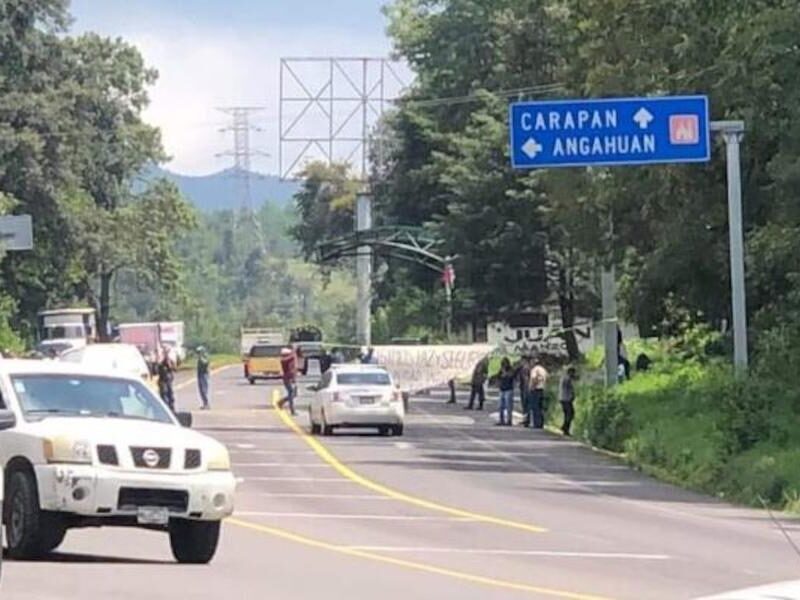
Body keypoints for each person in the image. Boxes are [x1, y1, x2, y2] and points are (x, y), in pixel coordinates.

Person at [528, 357, 548, 429]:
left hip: (536, 389)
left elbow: (534, 378)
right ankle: (541, 423)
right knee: (540, 407)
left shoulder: (535, 369)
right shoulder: (543, 370)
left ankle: (536, 424)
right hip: (542, 389)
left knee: (535, 407)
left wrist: (532, 387)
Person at [277, 347, 298, 415]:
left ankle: (281, 402)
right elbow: (291, 357)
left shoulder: (289, 359)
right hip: (287, 378)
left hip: (291, 377)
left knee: (294, 394)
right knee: (291, 393)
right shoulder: (284, 360)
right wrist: (294, 351)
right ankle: (292, 410)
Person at [496, 357, 515, 426]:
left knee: (508, 406)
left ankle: (509, 420)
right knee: (500, 406)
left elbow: (510, 376)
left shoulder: (511, 369)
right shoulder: (501, 370)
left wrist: (505, 372)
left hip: (508, 389)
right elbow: (498, 377)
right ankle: (501, 420)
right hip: (502, 389)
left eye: (504, 364)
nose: (503, 365)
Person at [157, 346, 176, 411]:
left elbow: (174, 369)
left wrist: (169, 363)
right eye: (165, 352)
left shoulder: (170, 361)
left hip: (169, 380)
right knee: (164, 394)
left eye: (167, 352)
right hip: (163, 380)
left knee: (170, 394)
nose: (166, 354)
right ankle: (166, 408)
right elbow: (157, 369)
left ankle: (172, 408)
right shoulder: (161, 362)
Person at [559, 366, 577, 436]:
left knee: (568, 414)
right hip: (566, 399)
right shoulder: (566, 378)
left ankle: (565, 428)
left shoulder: (565, 378)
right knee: (570, 414)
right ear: (570, 372)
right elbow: (569, 384)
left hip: (564, 399)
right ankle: (565, 428)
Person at [517, 355, 533, 426]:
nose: (520, 362)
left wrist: (527, 388)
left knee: (526, 405)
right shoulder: (523, 368)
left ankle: (526, 420)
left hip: (526, 388)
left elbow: (526, 379)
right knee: (525, 405)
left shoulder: (526, 368)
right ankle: (526, 419)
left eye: (522, 361)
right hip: (523, 388)